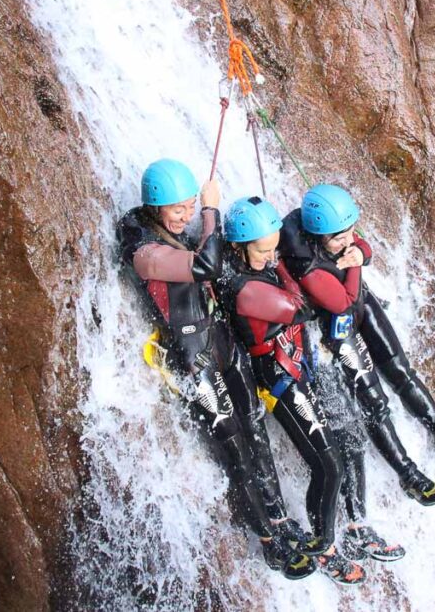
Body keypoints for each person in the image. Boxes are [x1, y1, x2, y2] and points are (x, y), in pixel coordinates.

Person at [117, 159, 314, 580]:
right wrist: (211, 211)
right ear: (154, 206)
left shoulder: (170, 230)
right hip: (192, 358)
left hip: (221, 341)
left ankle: (278, 518)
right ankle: (265, 538)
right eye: (178, 209)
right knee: (234, 446)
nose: (185, 214)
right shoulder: (146, 251)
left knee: (255, 428)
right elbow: (204, 266)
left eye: (189, 206)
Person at [220, 196, 406, 584]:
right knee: (328, 464)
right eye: (263, 251)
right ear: (239, 248)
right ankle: (324, 547)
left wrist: (313, 262)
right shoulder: (244, 288)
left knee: (348, 442)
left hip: (300, 364)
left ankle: (352, 529)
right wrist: (309, 268)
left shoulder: (261, 265)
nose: (272, 257)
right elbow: (301, 306)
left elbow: (301, 282)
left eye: (275, 248)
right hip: (278, 377)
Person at [280, 184, 435, 501]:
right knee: (375, 403)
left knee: (401, 371)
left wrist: (361, 251)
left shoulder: (331, 233)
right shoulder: (306, 264)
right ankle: (408, 475)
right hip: (334, 325)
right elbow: (342, 302)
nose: (347, 240)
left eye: (349, 231)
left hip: (360, 302)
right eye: (338, 237)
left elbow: (360, 246)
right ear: (319, 236)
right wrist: (357, 260)